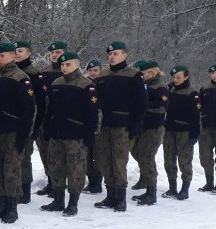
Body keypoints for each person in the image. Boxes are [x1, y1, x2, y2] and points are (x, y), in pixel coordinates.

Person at [40, 52, 99, 216]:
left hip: (76, 135)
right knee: (56, 167)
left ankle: (73, 203)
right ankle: (58, 200)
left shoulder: (87, 85)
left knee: (76, 169)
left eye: (68, 64)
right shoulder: (57, 83)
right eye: (62, 65)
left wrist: (90, 134)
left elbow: (92, 114)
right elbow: (49, 109)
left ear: (77, 64)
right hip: (57, 134)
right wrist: (47, 127)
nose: (64, 68)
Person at [0, 42, 36, 224]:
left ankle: (12, 207)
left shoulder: (21, 78)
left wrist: (24, 135)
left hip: (13, 132)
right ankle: (2, 203)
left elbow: (29, 109)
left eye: (3, 55)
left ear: (13, 56)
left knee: (11, 170)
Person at [94, 41, 147, 212]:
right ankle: (110, 196)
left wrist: (135, 125)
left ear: (125, 55)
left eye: (115, 53)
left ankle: (121, 198)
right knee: (105, 160)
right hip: (106, 125)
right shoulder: (103, 75)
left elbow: (141, 102)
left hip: (123, 126)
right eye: (110, 54)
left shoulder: (134, 75)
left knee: (119, 161)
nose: (112, 56)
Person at [130, 60, 168, 206]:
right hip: (142, 127)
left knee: (147, 157)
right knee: (137, 153)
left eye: (142, 74)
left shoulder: (159, 87)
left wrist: (143, 106)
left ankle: (151, 192)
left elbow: (161, 107)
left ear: (151, 73)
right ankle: (146, 181)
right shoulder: (144, 86)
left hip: (154, 128)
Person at [161, 65, 201, 201]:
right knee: (169, 160)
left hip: (185, 131)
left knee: (184, 161)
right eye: (174, 77)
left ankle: (185, 189)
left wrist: (195, 134)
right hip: (170, 130)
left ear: (186, 77)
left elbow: (196, 116)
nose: (176, 80)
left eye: (179, 77)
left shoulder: (192, 94)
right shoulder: (170, 91)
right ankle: (172, 187)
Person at [35, 40, 68, 196]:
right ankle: (51, 182)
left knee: (59, 155)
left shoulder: (69, 72)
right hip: (44, 120)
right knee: (45, 152)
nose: (55, 55)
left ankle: (60, 185)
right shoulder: (44, 72)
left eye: (58, 52)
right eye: (52, 53)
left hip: (62, 120)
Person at [14, 40, 44, 203]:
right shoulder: (10, 72)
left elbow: (40, 103)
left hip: (28, 123)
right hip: (12, 124)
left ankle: (24, 192)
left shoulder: (33, 74)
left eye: (20, 51)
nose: (17, 53)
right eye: (15, 51)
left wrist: (36, 126)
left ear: (29, 53)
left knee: (24, 158)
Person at [83, 59, 103, 194]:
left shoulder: (103, 84)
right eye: (90, 70)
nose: (93, 73)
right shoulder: (85, 85)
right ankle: (90, 182)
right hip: (86, 122)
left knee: (97, 154)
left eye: (95, 70)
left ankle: (97, 183)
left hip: (100, 123)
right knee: (87, 155)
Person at [199, 64, 216, 193]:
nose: (214, 75)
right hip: (206, 127)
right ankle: (209, 183)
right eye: (212, 73)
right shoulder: (205, 88)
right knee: (205, 155)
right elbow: (198, 106)